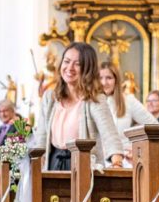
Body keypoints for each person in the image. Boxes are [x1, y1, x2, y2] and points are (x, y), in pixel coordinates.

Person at [35, 43, 124, 171]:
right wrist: (37, 167)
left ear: (88, 69)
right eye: (66, 61)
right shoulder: (50, 97)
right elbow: (41, 137)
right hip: (53, 163)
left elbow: (109, 134)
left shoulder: (94, 99)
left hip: (83, 167)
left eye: (77, 64)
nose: (69, 68)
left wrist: (117, 163)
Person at [99, 61, 156, 156]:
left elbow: (154, 127)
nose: (104, 82)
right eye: (100, 78)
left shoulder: (128, 101)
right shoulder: (90, 102)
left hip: (123, 161)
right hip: (98, 163)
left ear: (116, 80)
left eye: (109, 78)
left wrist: (138, 148)